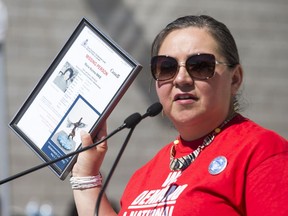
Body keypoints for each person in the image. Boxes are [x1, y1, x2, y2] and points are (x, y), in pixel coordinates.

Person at [70, 15, 288, 216]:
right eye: (166, 67)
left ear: (235, 79)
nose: (181, 78)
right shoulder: (144, 176)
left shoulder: (262, 152)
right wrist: (85, 176)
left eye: (200, 65)